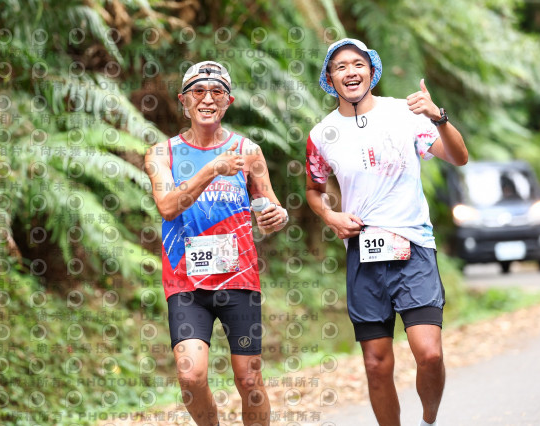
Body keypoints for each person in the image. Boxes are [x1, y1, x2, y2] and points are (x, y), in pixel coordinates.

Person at [305, 38, 468, 426]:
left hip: (414, 247)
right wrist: (330, 216)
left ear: (371, 71)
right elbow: (313, 189)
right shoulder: (322, 134)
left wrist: (438, 117)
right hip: (363, 254)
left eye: (357, 64)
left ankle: (428, 417)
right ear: (330, 78)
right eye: (340, 66)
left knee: (429, 354)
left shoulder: (404, 114)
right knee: (376, 364)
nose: (350, 72)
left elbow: (459, 157)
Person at [145, 61, 288, 426]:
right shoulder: (162, 154)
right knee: (191, 377)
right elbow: (168, 206)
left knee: (249, 380)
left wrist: (276, 216)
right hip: (185, 283)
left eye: (217, 92)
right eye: (198, 91)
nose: (207, 99)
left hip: (239, 279)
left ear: (228, 102)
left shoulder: (247, 150)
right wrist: (211, 169)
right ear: (183, 101)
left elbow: (269, 205)